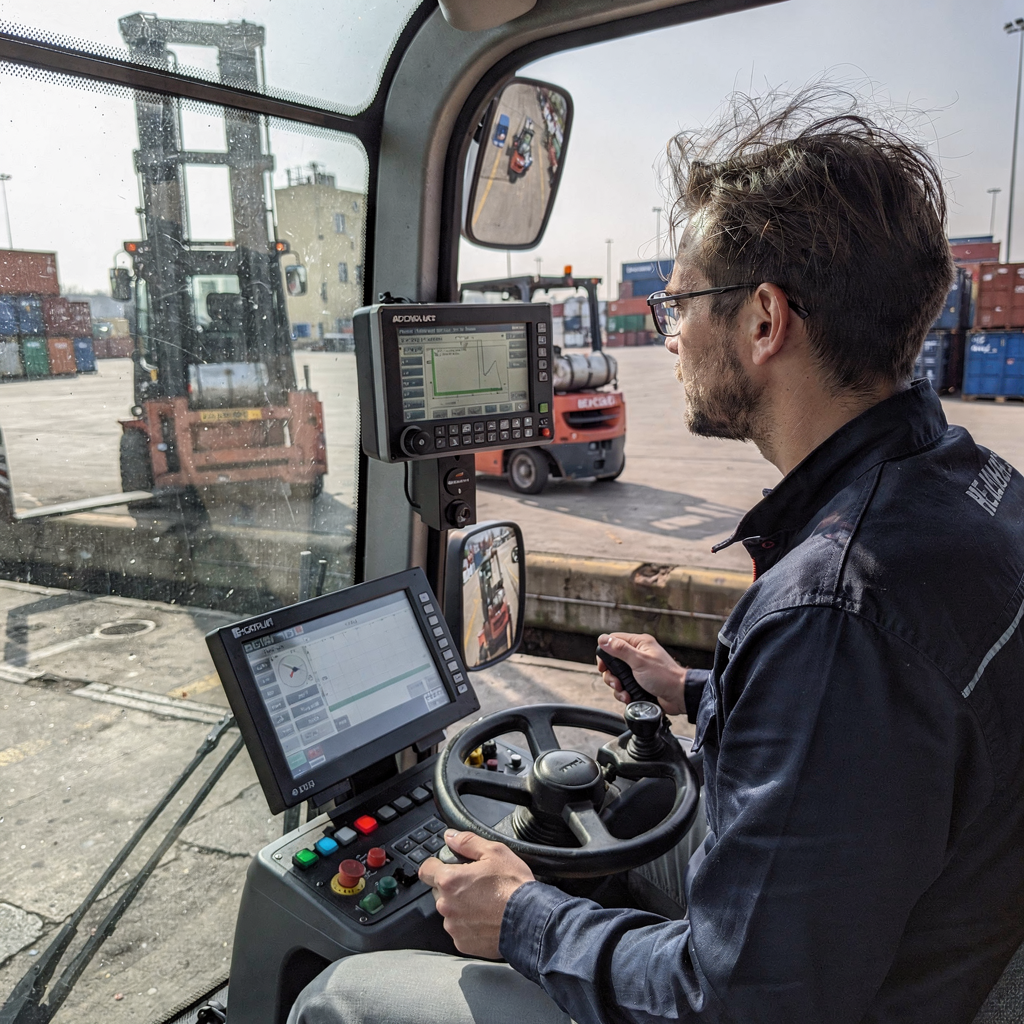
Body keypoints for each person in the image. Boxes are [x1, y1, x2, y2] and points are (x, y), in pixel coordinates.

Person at [288, 88, 1024, 1024]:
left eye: (678, 302)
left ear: (765, 321)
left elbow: (729, 1002)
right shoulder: (973, 491)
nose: (669, 332)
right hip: (920, 935)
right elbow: (881, 748)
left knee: (343, 994)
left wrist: (523, 920)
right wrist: (695, 693)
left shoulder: (832, 612)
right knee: (625, 813)